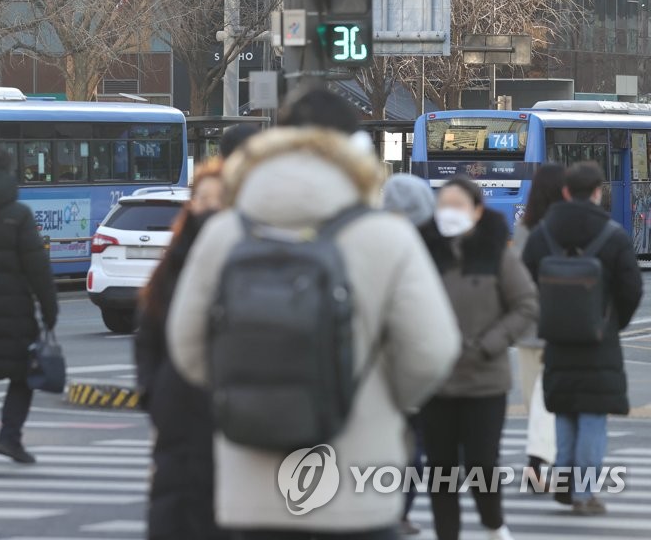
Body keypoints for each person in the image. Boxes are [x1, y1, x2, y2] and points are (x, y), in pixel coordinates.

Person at [166, 87, 461, 539]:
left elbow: (187, 348)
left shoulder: (224, 234)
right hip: (357, 496)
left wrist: (248, 390)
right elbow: (433, 351)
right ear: (356, 152)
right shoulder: (387, 236)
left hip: (249, 496)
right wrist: (378, 400)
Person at [419, 177, 538, 540]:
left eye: (458, 206)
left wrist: (491, 343)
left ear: (477, 211)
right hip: (435, 381)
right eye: (443, 205)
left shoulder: (496, 254)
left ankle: (493, 524)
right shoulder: (422, 252)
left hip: (484, 379)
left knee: (482, 463)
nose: (449, 213)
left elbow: (526, 304)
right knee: (440, 469)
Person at [522, 162, 643, 515]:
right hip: (598, 340)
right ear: (596, 192)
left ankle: (563, 480)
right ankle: (583, 493)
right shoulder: (613, 234)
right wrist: (610, 322)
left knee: (564, 409)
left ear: (564, 192)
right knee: (592, 414)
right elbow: (632, 288)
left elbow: (527, 282)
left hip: (557, 338)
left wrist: (551, 313)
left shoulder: (542, 234)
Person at [135, 159, 227, 540]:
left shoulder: (244, 256)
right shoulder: (171, 264)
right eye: (201, 199)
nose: (207, 207)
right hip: (178, 414)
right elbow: (148, 334)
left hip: (229, 417)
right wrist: (154, 394)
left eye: (218, 199)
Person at [0, 148, 58, 468]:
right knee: (23, 376)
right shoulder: (18, 215)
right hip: (15, 314)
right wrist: (49, 311)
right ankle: (9, 437)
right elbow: (38, 269)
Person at [379, 173, 437, 537]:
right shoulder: (436, 249)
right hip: (415, 371)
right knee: (412, 447)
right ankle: (399, 512)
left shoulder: (368, 242)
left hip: (373, 373)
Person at [511, 164, 566, 490]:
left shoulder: (524, 228)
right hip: (563, 328)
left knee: (535, 401)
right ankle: (551, 465)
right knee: (559, 400)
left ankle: (536, 466)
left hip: (530, 330)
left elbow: (516, 280)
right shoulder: (567, 228)